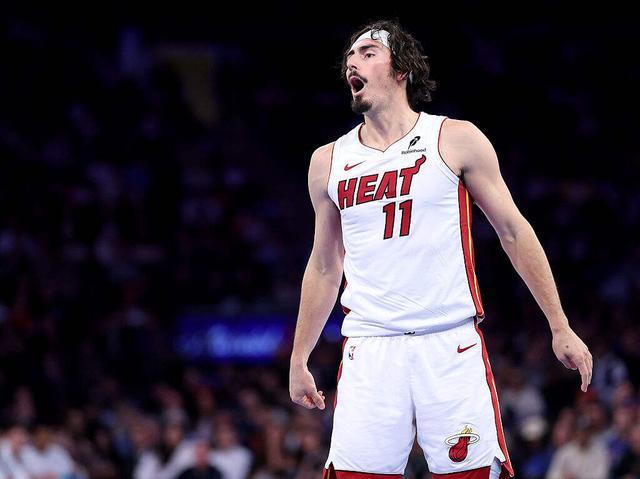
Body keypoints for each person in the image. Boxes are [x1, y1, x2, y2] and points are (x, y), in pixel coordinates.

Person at [288, 19, 593, 479]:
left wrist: (560, 325)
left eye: (368, 53)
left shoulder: (454, 138)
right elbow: (325, 266)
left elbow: (513, 231)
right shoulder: (327, 161)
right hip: (370, 347)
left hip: (448, 341)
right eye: (349, 57)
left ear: (401, 69)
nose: (353, 62)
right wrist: (299, 357)